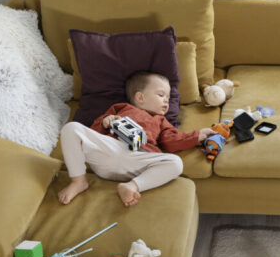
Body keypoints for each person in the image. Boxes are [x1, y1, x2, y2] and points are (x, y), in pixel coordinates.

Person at [57, 71, 214, 206]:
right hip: (111, 150)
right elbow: (94, 132)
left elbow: (173, 141)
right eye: (161, 95)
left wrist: (199, 135)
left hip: (138, 160)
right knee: (71, 128)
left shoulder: (161, 121)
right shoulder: (122, 109)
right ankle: (78, 181)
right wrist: (106, 121)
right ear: (140, 97)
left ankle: (132, 186)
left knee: (176, 163)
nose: (167, 100)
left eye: (168, 97)